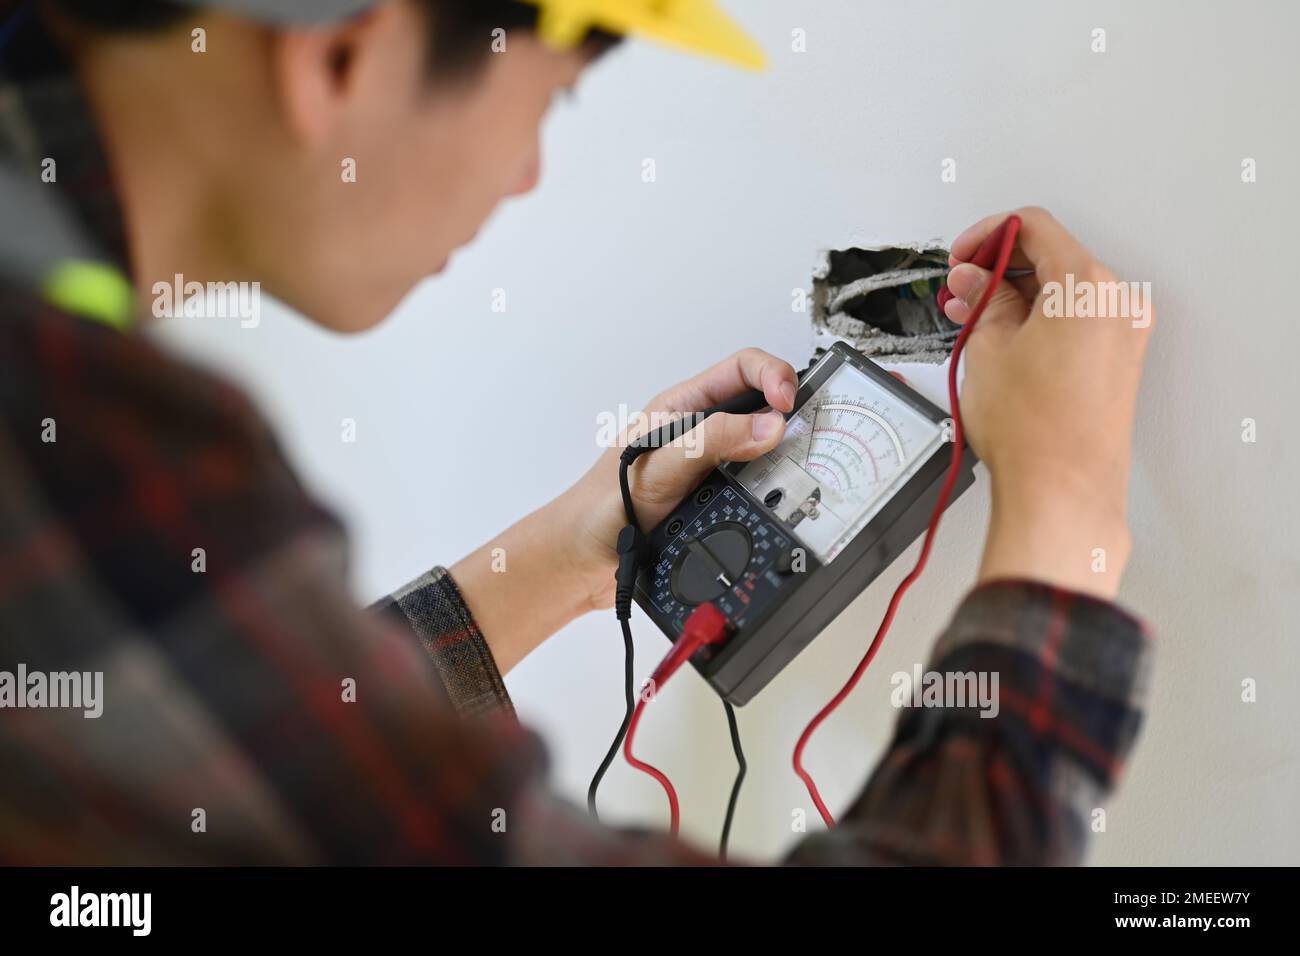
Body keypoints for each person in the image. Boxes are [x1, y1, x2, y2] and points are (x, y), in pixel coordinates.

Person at [0, 0, 1153, 865]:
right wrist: (1062, 513)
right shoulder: (77, 439)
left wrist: (576, 545)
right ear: (340, 56)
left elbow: (235, 736)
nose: (529, 173)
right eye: (547, 101)